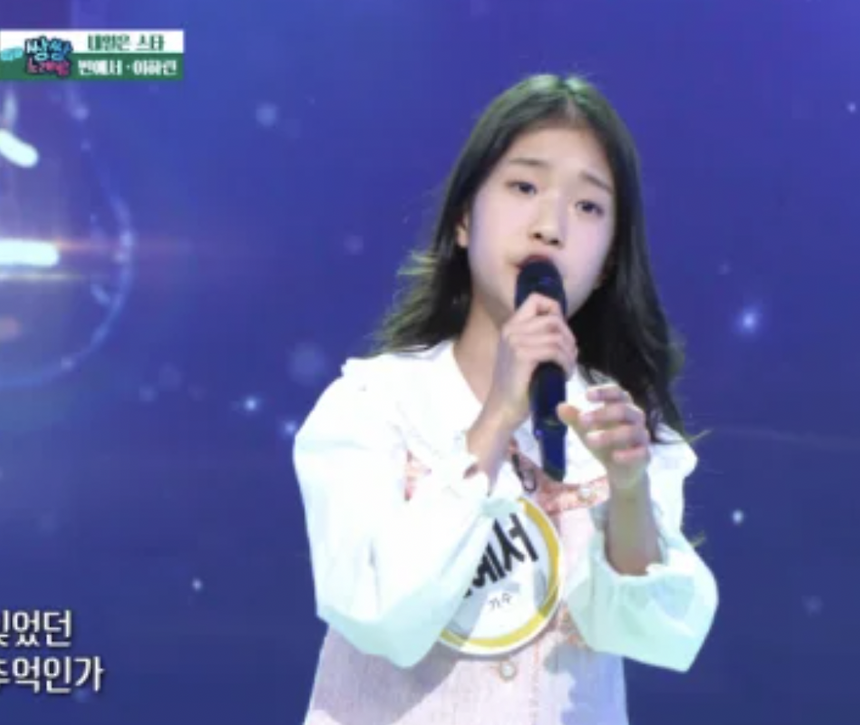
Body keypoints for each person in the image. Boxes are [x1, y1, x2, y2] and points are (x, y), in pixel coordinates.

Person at [292, 73, 718, 725]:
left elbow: (648, 633)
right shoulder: (375, 406)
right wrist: (497, 418)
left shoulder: (615, 423)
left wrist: (629, 489)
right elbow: (379, 613)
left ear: (608, 259)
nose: (550, 227)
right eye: (524, 187)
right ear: (464, 218)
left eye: (588, 206)